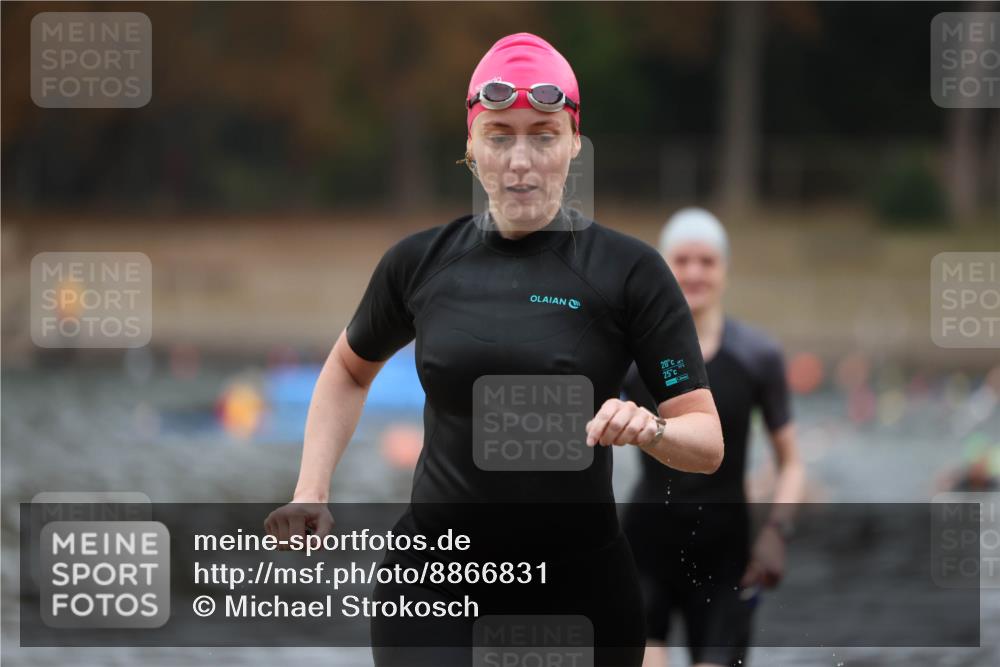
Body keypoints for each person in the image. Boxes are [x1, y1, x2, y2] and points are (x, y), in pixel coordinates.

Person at [265, 33, 724, 667]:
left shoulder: (630, 273)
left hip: (579, 586)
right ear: (471, 146)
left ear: (573, 144)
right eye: (499, 135)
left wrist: (649, 427)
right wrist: (312, 490)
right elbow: (348, 369)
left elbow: (705, 440)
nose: (520, 160)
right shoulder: (419, 264)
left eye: (543, 134)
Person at [620, 208, 805, 667]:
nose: (694, 272)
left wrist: (777, 533)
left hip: (725, 553)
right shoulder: (631, 354)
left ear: (724, 269)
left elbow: (792, 462)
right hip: (646, 545)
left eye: (707, 261)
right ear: (664, 268)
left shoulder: (757, 356)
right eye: (682, 260)